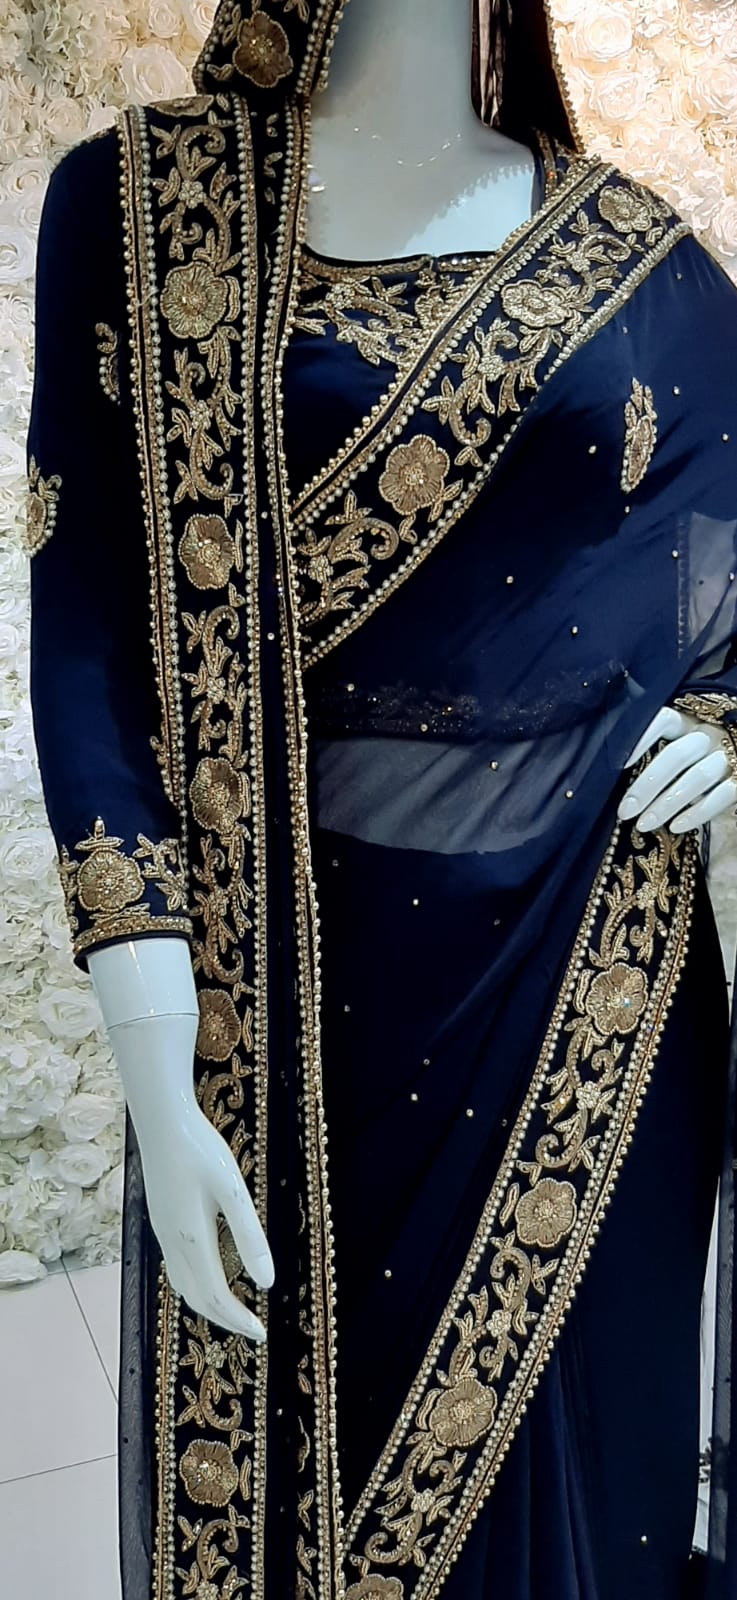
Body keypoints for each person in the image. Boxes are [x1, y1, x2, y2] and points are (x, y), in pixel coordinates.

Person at [25, 1, 737, 1594]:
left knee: (587, 1487)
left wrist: (725, 714)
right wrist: (153, 1047)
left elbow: (723, 502)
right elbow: (87, 635)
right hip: (286, 996)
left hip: (593, 981)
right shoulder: (138, 204)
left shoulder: (624, 253)